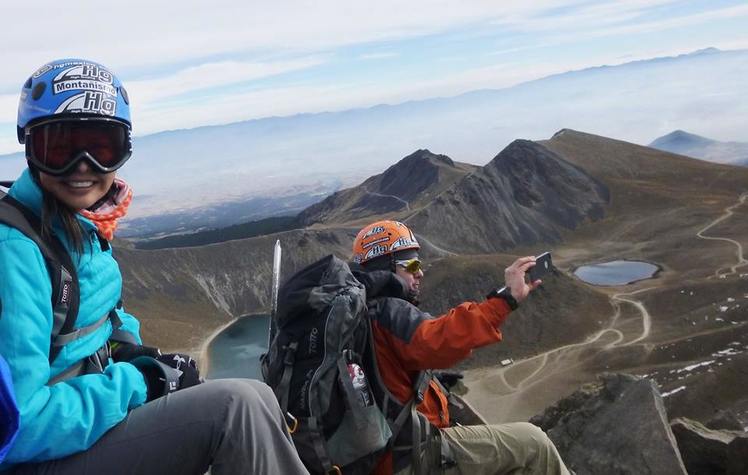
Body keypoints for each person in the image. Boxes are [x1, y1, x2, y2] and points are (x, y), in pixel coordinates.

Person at [0, 59, 308, 475]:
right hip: (38, 458)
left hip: (77, 430)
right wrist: (141, 380)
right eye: (59, 147)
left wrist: (132, 350)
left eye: (102, 147)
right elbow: (18, 426)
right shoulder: (15, 252)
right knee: (240, 407)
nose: (83, 165)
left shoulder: (76, 225)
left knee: (262, 400)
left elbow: (104, 310)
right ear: (29, 148)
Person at [351, 220, 570, 475]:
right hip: (408, 457)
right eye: (411, 264)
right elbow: (439, 340)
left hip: (386, 455)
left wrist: (430, 382)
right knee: (534, 444)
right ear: (385, 268)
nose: (420, 272)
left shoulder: (359, 314)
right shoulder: (387, 312)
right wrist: (505, 300)